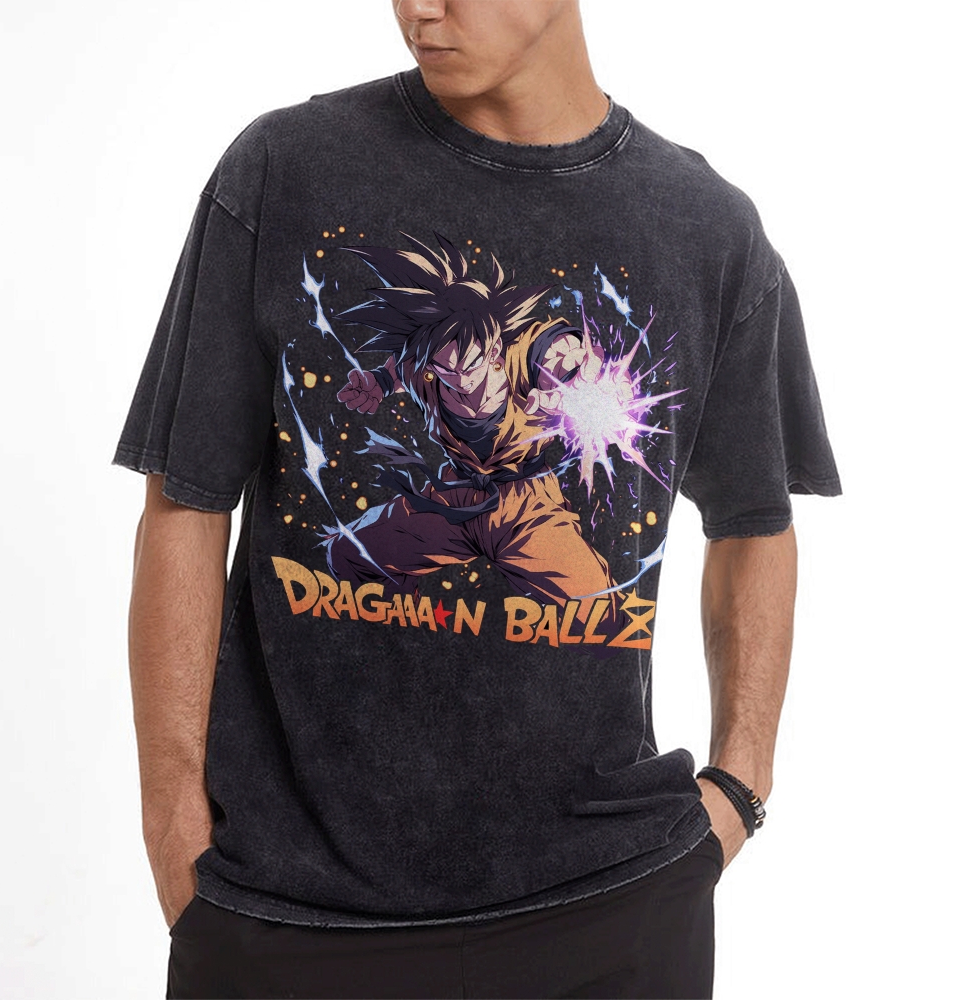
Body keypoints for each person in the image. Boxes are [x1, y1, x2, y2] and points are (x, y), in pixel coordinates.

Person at [115, 1, 841, 997]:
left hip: (608, 908)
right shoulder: (288, 172)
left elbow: (755, 523)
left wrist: (740, 783)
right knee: (371, 547)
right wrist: (173, 829)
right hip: (288, 917)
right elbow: (186, 500)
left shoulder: (702, 229)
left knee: (573, 578)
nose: (420, 7)